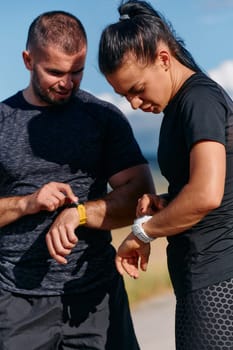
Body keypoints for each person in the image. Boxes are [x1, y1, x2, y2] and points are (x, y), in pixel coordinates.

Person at [0, 10, 156, 350]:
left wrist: (80, 213)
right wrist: (27, 203)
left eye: (77, 72)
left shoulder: (103, 118)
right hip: (15, 303)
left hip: (95, 299)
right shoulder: (2, 122)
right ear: (28, 60)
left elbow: (141, 196)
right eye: (55, 71)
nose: (67, 82)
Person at [98, 1, 233, 349]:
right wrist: (168, 203)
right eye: (124, 95)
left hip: (219, 279)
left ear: (163, 58)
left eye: (137, 89)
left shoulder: (198, 100)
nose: (133, 103)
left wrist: (143, 233)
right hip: (204, 277)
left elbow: (206, 195)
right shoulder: (182, 106)